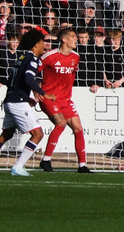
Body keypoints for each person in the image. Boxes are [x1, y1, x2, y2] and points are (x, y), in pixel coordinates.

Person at [0, 29, 49, 176]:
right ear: (36, 45)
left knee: (7, 134)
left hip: (10, 100)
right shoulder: (32, 59)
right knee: (38, 134)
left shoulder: (21, 58)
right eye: (43, 43)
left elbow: (13, 80)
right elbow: (29, 79)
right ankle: (18, 167)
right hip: (17, 102)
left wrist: (26, 95)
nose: (45, 46)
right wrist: (43, 93)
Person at [38, 27, 90, 173]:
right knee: (60, 123)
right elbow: (32, 73)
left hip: (66, 100)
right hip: (49, 98)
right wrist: (37, 89)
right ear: (64, 40)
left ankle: (82, 165)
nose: (76, 39)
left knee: (78, 128)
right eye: (73, 36)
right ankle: (46, 160)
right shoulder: (49, 56)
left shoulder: (76, 57)